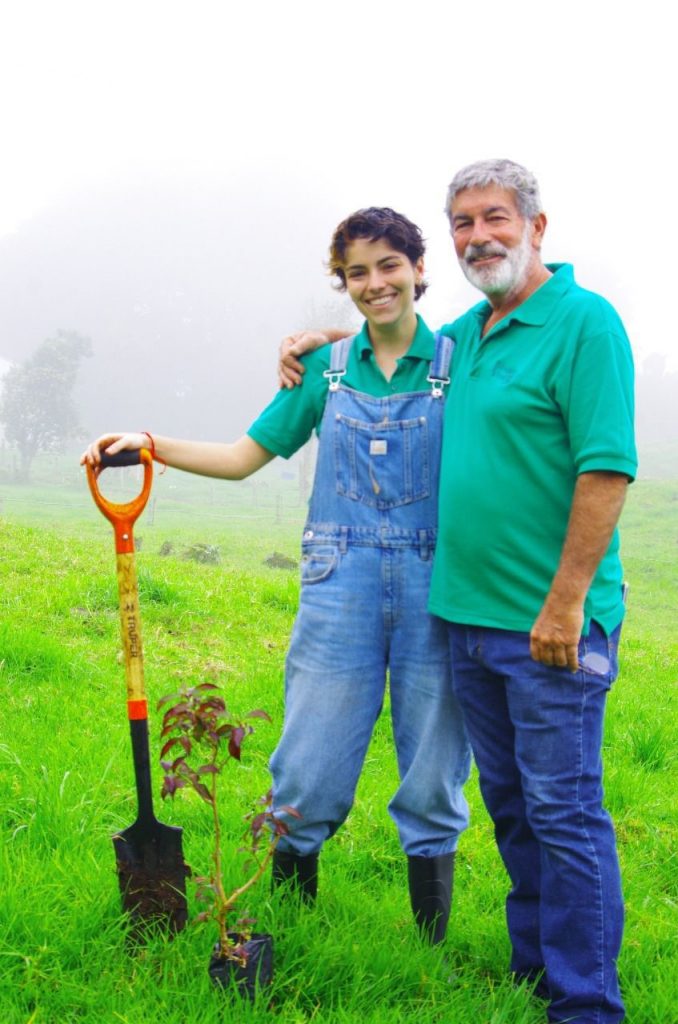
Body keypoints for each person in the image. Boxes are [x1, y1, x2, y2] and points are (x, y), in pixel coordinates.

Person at [279, 161, 636, 1023]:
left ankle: (585, 1003)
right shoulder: (473, 336)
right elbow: (393, 340)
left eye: (496, 218)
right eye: (464, 223)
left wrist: (566, 603)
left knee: (564, 811)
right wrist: (318, 342)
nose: (480, 236)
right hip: (467, 621)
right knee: (514, 809)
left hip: (549, 621)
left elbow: (607, 467)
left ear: (537, 227)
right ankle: (531, 972)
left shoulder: (585, 323)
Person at [81, 207, 471, 945]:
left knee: (434, 767)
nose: (375, 283)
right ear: (343, 282)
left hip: (436, 586)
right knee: (309, 763)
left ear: (420, 270)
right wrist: (151, 443)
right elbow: (240, 457)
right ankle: (293, 923)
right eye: (357, 271)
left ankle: (431, 946)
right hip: (340, 586)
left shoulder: (460, 362)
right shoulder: (323, 373)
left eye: (389, 265)